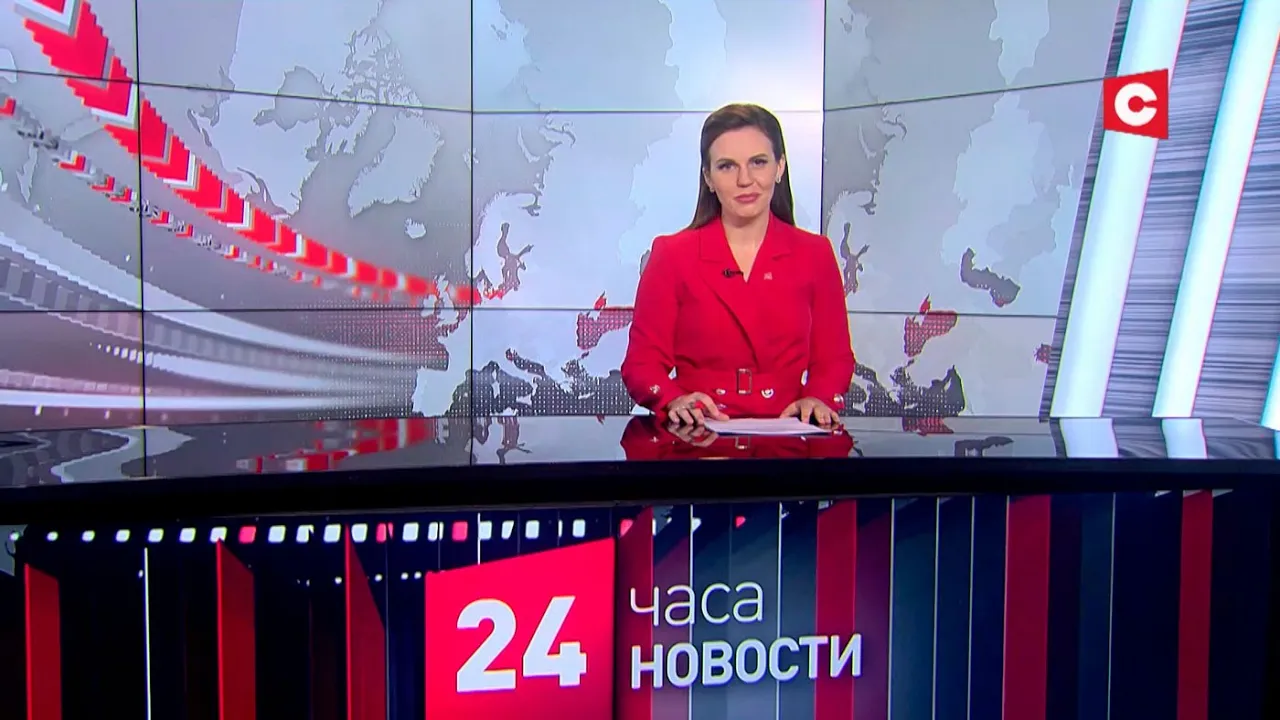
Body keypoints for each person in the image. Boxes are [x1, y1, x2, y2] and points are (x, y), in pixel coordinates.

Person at [622, 103, 856, 429]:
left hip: (789, 434)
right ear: (708, 177)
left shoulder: (814, 254)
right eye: (727, 166)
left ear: (779, 167)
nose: (745, 180)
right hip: (697, 434)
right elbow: (641, 364)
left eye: (758, 162)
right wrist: (673, 399)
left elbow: (834, 358)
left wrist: (818, 397)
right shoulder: (672, 254)